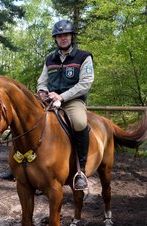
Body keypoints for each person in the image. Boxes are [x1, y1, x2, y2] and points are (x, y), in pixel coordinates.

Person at [37, 19, 94, 190]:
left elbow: (85, 83)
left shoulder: (84, 57)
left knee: (79, 122)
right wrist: (42, 91)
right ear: (55, 38)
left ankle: (81, 171)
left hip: (72, 100)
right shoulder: (50, 59)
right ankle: (22, 165)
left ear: (71, 36)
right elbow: (42, 81)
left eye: (66, 35)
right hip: (49, 100)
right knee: (27, 118)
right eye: (59, 36)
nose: (63, 38)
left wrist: (61, 97)